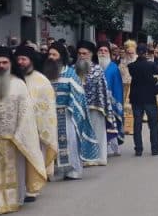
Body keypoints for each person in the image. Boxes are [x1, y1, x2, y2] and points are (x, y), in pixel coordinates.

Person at [0, 47, 46, 215]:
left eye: (5, 62)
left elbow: (26, 113)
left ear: (10, 64)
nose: (1, 66)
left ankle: (15, 200)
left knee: (14, 174)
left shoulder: (19, 85)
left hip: (14, 140)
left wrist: (20, 136)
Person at [15, 45, 57, 203]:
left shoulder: (41, 80)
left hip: (35, 128)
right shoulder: (12, 78)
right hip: (16, 128)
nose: (20, 62)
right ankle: (19, 188)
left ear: (30, 61)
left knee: (32, 157)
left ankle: (32, 189)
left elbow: (47, 106)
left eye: (23, 59)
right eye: (18, 59)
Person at [44, 42, 86, 181]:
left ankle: (73, 169)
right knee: (52, 142)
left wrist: (72, 107)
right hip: (49, 114)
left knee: (69, 141)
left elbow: (78, 93)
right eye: (49, 54)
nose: (51, 57)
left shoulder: (70, 73)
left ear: (61, 56)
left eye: (54, 54)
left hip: (67, 114)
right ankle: (57, 170)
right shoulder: (46, 73)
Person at [78, 42, 111, 166]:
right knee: (81, 132)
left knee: (98, 131)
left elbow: (103, 90)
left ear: (91, 54)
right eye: (80, 53)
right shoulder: (73, 69)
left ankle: (100, 157)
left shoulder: (98, 70)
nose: (82, 56)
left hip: (95, 106)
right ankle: (83, 157)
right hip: (78, 107)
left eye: (85, 53)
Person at [128, 44, 158, 156]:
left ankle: (138, 149)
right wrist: (156, 57)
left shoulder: (131, 66)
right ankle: (155, 149)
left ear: (137, 52)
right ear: (147, 53)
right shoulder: (151, 64)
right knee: (153, 124)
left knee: (137, 124)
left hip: (136, 98)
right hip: (149, 97)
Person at [97, 42, 124, 157]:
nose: (103, 53)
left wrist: (115, 101)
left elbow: (118, 86)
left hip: (110, 101)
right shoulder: (94, 67)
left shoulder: (114, 68)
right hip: (96, 102)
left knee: (110, 124)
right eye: (101, 51)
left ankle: (111, 147)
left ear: (109, 53)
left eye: (105, 51)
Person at [119, 40, 138, 135]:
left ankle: (132, 128)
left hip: (135, 87)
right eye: (128, 52)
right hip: (124, 87)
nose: (130, 54)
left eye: (132, 52)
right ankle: (123, 127)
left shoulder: (138, 61)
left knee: (132, 108)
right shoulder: (122, 62)